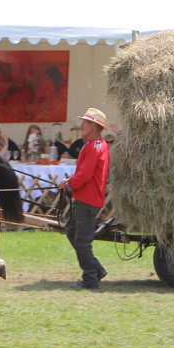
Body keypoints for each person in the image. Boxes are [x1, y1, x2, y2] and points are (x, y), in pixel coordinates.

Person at [58, 108, 110, 290]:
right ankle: (97, 269)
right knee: (72, 232)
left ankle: (90, 279)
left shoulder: (95, 147)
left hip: (88, 200)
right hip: (86, 199)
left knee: (81, 241)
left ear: (94, 126)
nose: (82, 124)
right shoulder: (93, 145)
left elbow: (85, 175)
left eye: (86, 122)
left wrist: (68, 182)